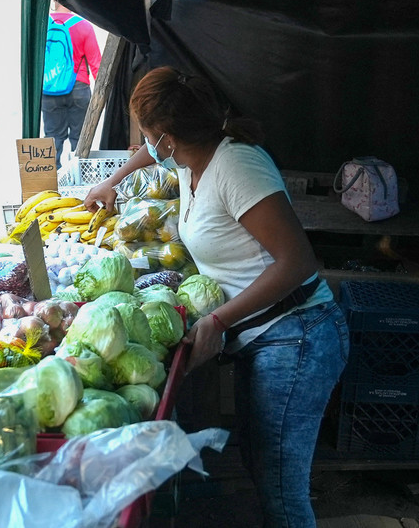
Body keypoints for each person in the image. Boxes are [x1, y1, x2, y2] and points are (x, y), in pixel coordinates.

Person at [84, 66, 348, 528]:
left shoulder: (236, 166)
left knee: (281, 490)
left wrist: (219, 320)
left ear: (168, 136)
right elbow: (148, 154)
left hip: (297, 335)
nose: (147, 145)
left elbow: (297, 261)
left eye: (149, 135)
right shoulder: (190, 158)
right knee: (260, 464)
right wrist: (114, 179)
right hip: (265, 337)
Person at [43, 0, 102, 169]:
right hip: (79, 88)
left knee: (53, 138)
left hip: (49, 90)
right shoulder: (84, 26)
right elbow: (96, 63)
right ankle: (80, 177)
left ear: (54, 0)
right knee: (80, 138)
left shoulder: (42, 25)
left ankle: (52, 182)